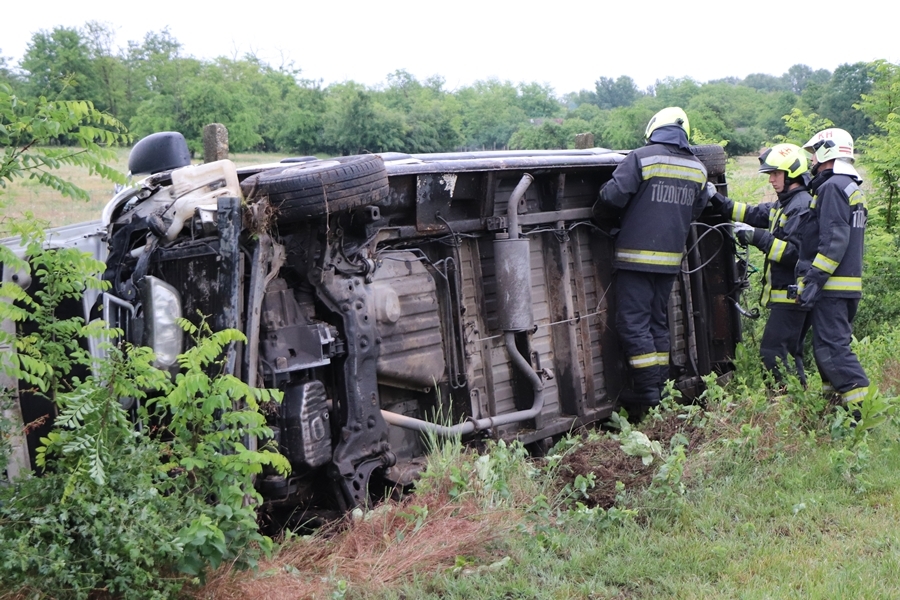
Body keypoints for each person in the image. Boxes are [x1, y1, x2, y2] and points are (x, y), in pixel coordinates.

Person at [595, 107, 710, 408]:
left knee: (633, 323)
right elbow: (694, 211)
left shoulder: (642, 158)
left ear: (654, 129)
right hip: (670, 261)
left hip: (635, 259)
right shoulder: (698, 169)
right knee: (658, 323)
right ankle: (660, 387)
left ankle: (647, 395)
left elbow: (612, 196)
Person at [708, 144, 814, 385]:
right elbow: (750, 213)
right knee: (786, 354)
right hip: (788, 298)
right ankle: (798, 404)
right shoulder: (786, 203)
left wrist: (757, 237)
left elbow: (795, 255)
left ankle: (787, 404)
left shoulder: (801, 206)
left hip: (792, 297)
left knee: (773, 354)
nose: (771, 180)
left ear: (792, 174)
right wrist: (714, 197)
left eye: (776, 174)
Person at [796, 127, 869, 406]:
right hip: (845, 287)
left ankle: (863, 413)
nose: (812, 160)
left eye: (815, 153)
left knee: (833, 350)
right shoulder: (850, 186)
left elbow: (834, 240)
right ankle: (833, 411)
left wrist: (813, 281)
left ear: (827, 150)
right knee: (825, 349)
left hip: (832, 287)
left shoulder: (832, 187)